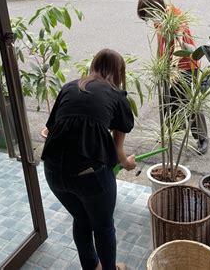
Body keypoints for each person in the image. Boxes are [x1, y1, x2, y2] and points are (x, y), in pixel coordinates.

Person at [42, 49, 136, 270]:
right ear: (119, 72)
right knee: (103, 227)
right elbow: (119, 153)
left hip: (53, 172)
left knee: (82, 218)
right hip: (88, 176)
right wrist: (128, 163)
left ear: (93, 66)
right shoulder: (117, 96)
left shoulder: (70, 87)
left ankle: (91, 267)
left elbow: (49, 129)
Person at [137, 0, 209, 154]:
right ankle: (171, 132)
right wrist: (159, 63)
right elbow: (161, 43)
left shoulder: (174, 15)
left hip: (185, 64)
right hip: (169, 66)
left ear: (154, 6)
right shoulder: (159, 18)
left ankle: (202, 138)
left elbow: (179, 44)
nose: (149, 18)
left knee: (188, 102)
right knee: (170, 101)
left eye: (148, 14)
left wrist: (174, 70)